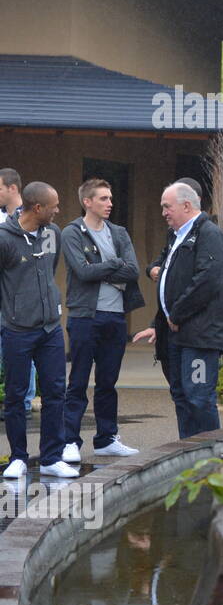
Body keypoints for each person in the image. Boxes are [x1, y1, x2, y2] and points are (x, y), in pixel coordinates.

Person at [133, 183, 223, 439]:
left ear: (186, 206)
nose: (164, 212)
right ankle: (188, 455)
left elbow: (208, 280)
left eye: (167, 207)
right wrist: (160, 323)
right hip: (175, 334)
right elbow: (170, 283)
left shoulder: (209, 235)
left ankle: (209, 458)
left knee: (198, 396)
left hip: (199, 336)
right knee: (181, 395)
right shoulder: (176, 237)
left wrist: (177, 314)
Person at [60, 178, 144, 464]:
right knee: (79, 380)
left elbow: (132, 270)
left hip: (116, 316)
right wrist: (114, 265)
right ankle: (70, 440)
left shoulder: (119, 233)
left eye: (110, 198)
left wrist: (102, 269)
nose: (110, 203)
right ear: (87, 202)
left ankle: (107, 439)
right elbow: (82, 273)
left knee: (108, 381)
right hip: (85, 316)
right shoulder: (72, 232)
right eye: (104, 199)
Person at [0, 182, 76, 477]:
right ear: (37, 208)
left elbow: (48, 270)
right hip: (18, 330)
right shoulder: (5, 239)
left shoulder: (52, 233)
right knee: (17, 395)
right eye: (54, 206)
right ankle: (18, 456)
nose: (58, 210)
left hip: (51, 330)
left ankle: (51, 458)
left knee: (57, 391)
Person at [0, 167, 37, 416]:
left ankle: (24, 402)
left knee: (23, 350)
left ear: (13, 188)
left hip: (22, 298)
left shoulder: (32, 217)